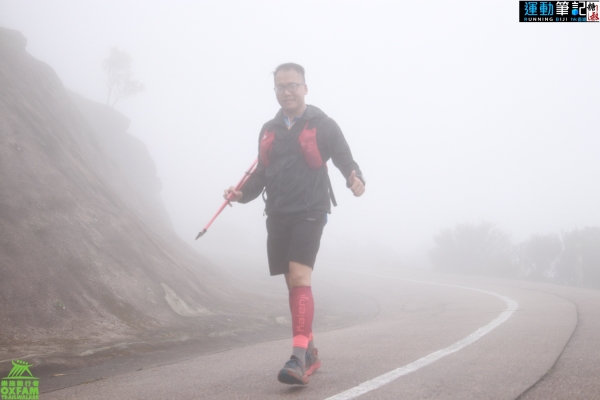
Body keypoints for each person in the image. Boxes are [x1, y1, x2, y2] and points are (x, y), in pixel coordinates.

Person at [224, 63, 365, 385]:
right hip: (277, 212)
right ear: (275, 90)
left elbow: (346, 160)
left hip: (310, 209)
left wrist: (356, 178)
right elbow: (261, 173)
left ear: (305, 88)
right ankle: (310, 353)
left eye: (292, 85)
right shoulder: (269, 129)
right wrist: (240, 193)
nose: (286, 91)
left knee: (300, 277)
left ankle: (297, 359)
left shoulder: (324, 124)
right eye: (280, 87)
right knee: (293, 286)